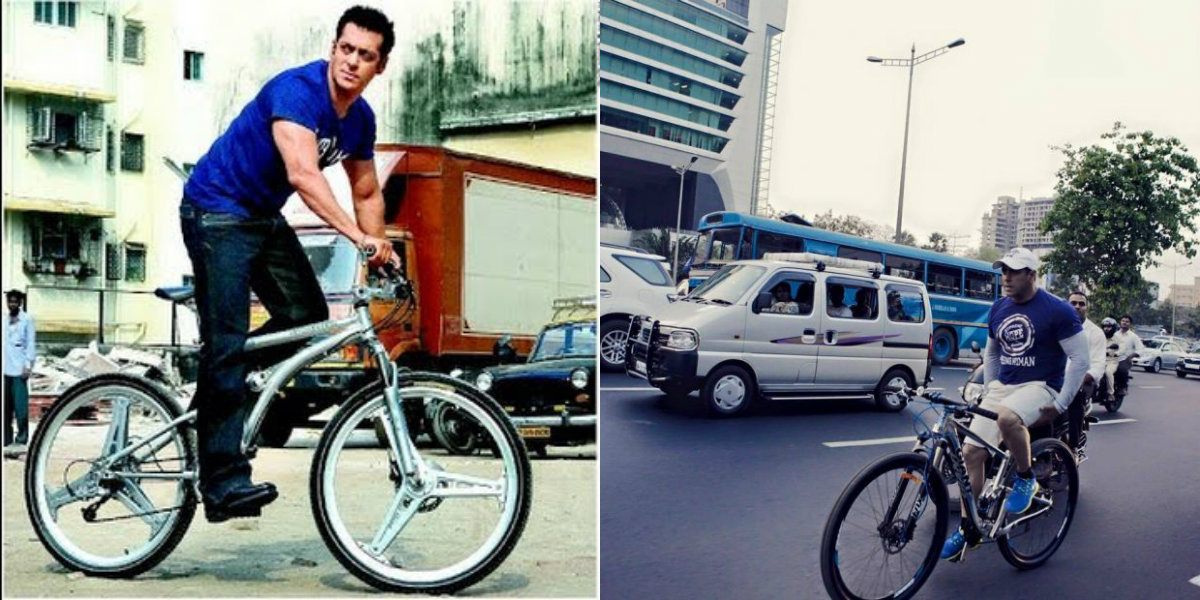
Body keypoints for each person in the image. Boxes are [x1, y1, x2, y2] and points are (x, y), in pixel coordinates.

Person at [180, 5, 400, 523]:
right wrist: (356, 239)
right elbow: (303, 174)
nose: (352, 61)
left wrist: (382, 247)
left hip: (259, 216)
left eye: (365, 55)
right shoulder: (296, 91)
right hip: (216, 210)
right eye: (345, 49)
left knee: (306, 319)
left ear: (379, 67)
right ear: (333, 48)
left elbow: (366, 190)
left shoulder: (359, 119)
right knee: (228, 343)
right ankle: (222, 481)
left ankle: (215, 397)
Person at [941, 248, 1089, 561]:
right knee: (971, 452)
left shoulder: (1057, 310)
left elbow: (1080, 358)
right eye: (1003, 270)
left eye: (1014, 271)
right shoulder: (998, 309)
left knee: (1007, 419)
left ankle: (1025, 476)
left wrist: (1062, 402)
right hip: (1003, 387)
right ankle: (970, 529)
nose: (1006, 277)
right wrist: (989, 388)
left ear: (1032, 275)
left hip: (1040, 386)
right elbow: (992, 354)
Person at [1065, 291, 1104, 463]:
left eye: (1081, 304)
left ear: (1087, 308)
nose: (1077, 307)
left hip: (1084, 380)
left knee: (1075, 394)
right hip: (1058, 379)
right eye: (1073, 303)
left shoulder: (1095, 333)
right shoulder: (1057, 327)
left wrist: (1078, 380)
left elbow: (1097, 366)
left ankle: (1074, 447)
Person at [4, 289, 35, 455]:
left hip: (19, 370)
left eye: (15, 302)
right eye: (10, 302)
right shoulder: (3, 320)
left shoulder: (27, 320)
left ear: (20, 303)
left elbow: (30, 343)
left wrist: (28, 365)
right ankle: (6, 440)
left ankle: (21, 439)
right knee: (5, 408)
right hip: (4, 369)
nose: (12, 304)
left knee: (21, 408)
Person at [1111, 315, 1143, 396]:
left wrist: (1132, 355)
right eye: (1123, 321)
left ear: (1130, 324)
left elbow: (1141, 349)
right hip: (1112, 358)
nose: (1124, 323)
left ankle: (1123, 388)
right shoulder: (1115, 334)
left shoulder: (1133, 336)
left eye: (1127, 321)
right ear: (1120, 322)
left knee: (1121, 369)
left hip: (1125, 359)